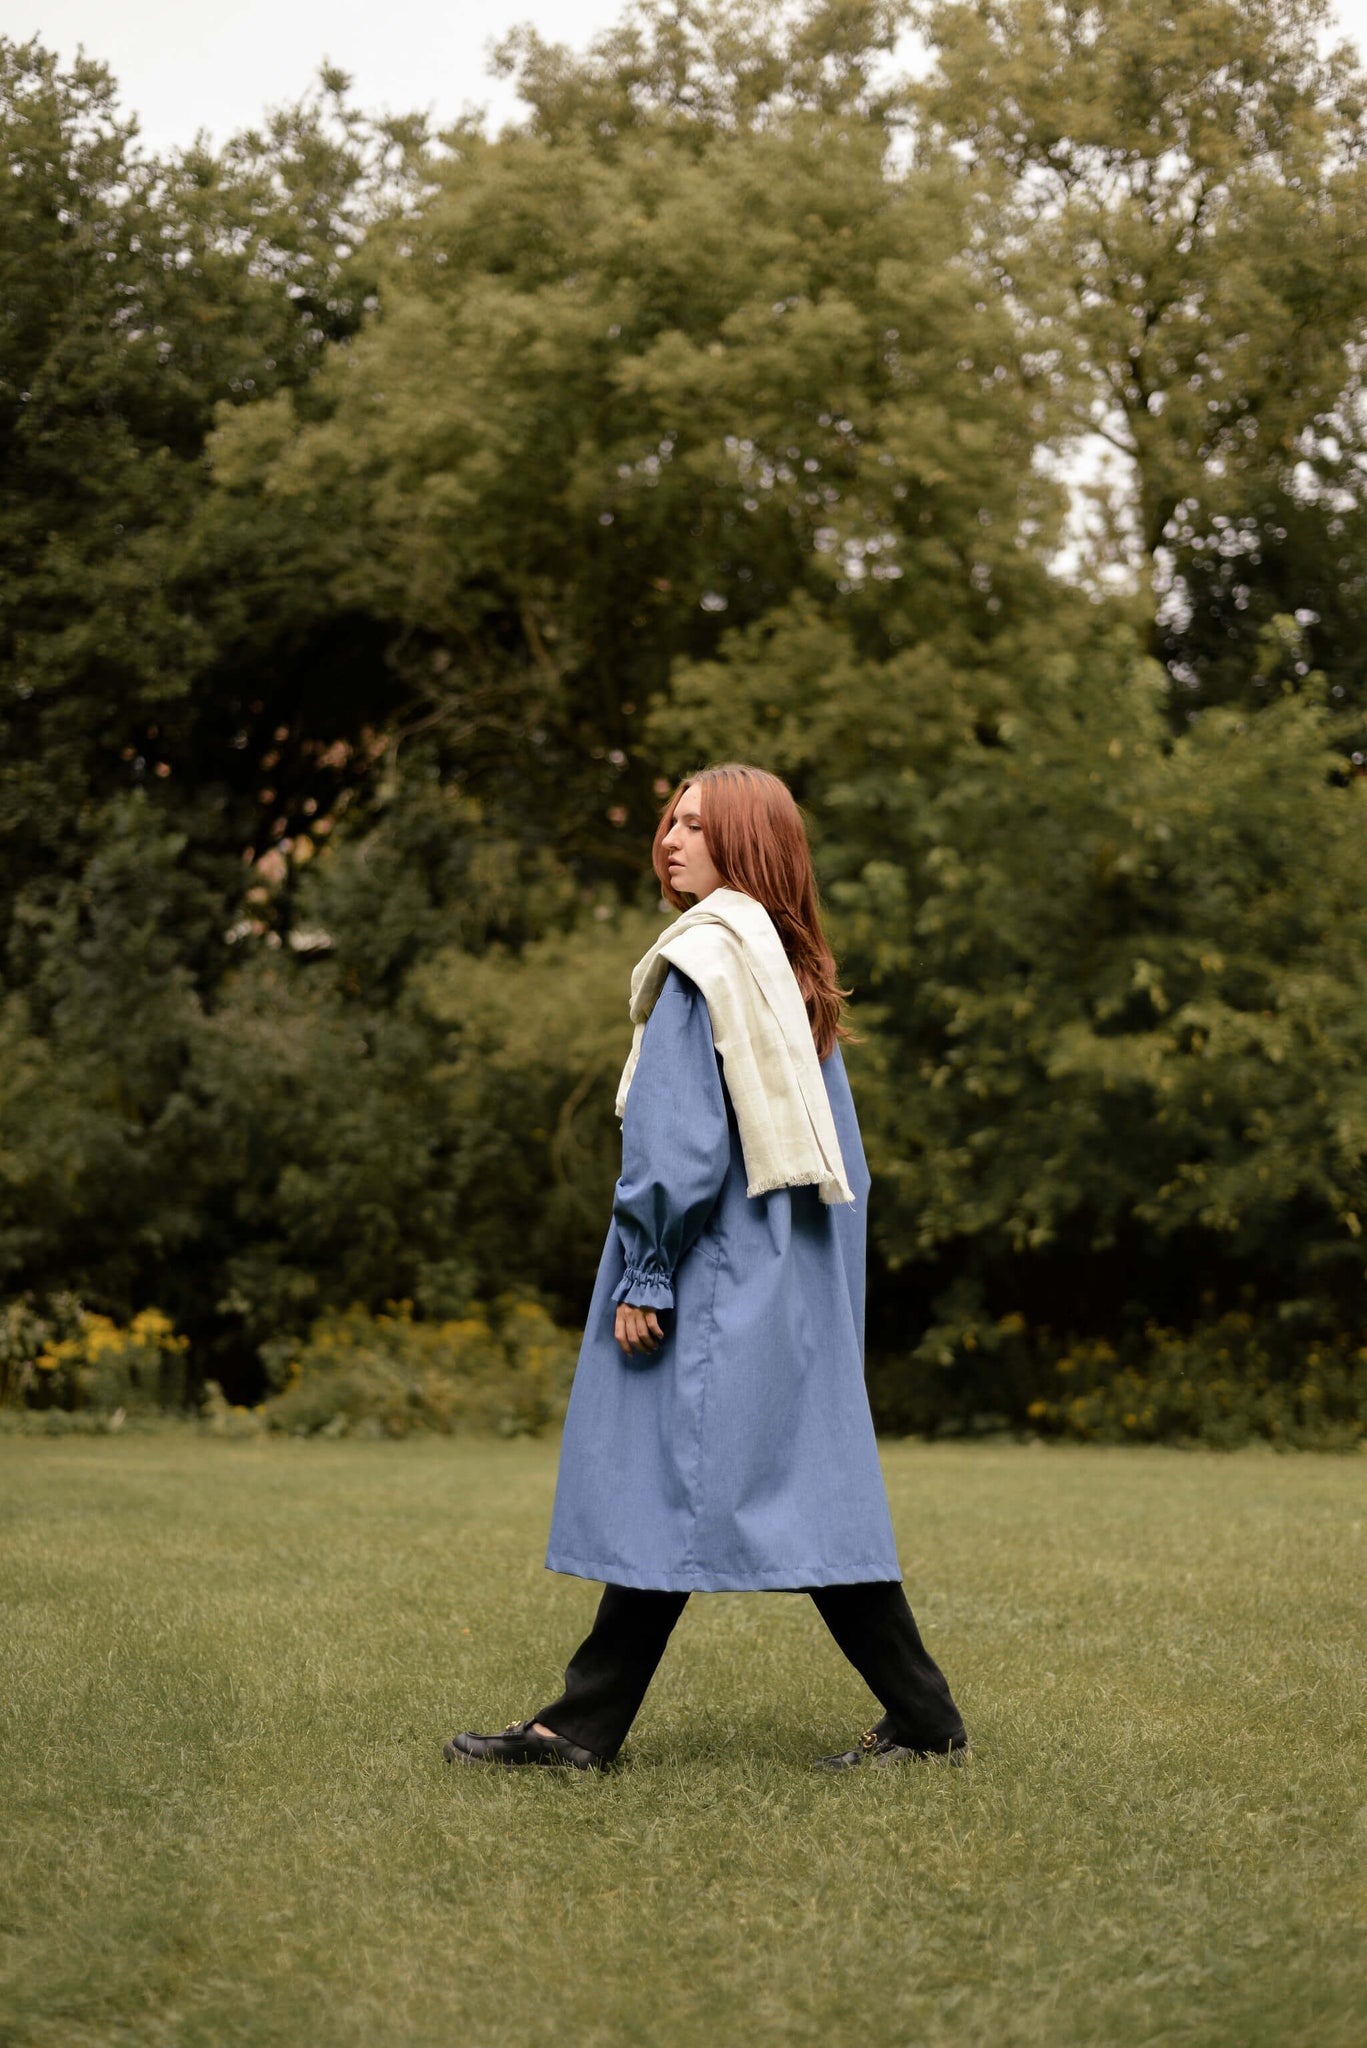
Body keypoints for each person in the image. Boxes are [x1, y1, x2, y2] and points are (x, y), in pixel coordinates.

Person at [445, 763, 967, 1773]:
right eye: (669, 820)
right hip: (787, 1273)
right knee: (763, 1487)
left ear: (747, 844)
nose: (670, 839)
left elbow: (676, 1137)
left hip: (711, 1267)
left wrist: (647, 1269)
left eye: (696, 824)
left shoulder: (703, 960)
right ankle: (586, 1725)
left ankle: (921, 1719)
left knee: (691, 1478)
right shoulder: (781, 965)